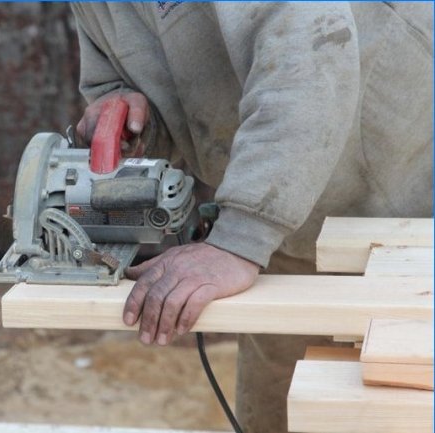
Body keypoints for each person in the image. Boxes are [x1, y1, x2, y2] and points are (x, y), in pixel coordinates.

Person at [71, 3, 433, 433]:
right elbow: (126, 82)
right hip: (289, 226)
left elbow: (314, 48)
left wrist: (241, 235)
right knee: (281, 415)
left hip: (412, 220)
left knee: (400, 406)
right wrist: (137, 125)